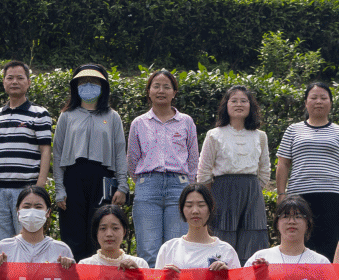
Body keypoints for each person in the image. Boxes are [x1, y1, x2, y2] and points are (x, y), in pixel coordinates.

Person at [275, 80, 339, 263]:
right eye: (313, 97)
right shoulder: (293, 130)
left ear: (330, 102)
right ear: (306, 102)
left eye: (324, 98)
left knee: (329, 242)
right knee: (299, 240)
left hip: (332, 195)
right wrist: (281, 193)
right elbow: (283, 164)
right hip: (299, 195)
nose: (318, 101)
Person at [52, 65, 127, 261]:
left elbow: (120, 152)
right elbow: (58, 153)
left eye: (94, 82)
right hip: (73, 178)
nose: (88, 86)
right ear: (75, 87)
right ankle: (75, 278)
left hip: (103, 179)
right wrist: (59, 188)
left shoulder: (112, 117)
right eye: (83, 83)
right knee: (73, 233)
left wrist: (122, 186)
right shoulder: (67, 116)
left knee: (99, 229)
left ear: (103, 86)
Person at [127, 69, 195, 265]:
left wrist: (189, 188)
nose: (161, 90)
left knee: (176, 250)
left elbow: (193, 159)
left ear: (174, 92)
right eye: (156, 86)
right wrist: (144, 181)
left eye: (167, 86)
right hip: (148, 187)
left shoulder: (186, 122)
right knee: (148, 250)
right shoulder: (139, 123)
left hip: (179, 187)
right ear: (148, 91)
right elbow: (132, 160)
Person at [197, 84, 271, 263]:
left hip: (252, 192)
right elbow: (204, 171)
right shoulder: (214, 135)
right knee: (222, 238)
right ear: (226, 105)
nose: (239, 104)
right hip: (222, 191)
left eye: (244, 101)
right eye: (234, 100)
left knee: (253, 238)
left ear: (250, 106)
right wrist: (209, 198)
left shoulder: (260, 136)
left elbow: (264, 170)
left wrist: (251, 188)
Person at [0, 61, 54, 241]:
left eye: (20, 78)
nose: (14, 81)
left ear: (28, 82)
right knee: (1, 244)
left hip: (26, 190)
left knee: (28, 240)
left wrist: (40, 186)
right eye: (10, 78)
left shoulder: (40, 114)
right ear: (4, 82)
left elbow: (46, 150)